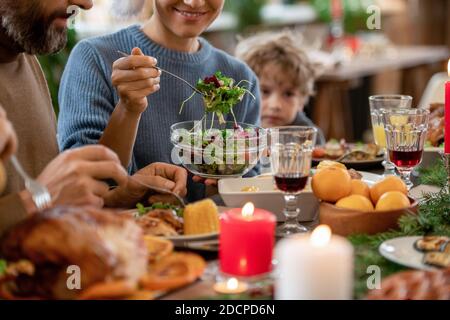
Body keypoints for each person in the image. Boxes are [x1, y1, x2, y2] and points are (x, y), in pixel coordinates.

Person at [0, 0, 187, 235]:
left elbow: (40, 215)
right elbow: (39, 202)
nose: (85, 4)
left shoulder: (23, 55)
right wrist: (40, 199)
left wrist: (114, 199)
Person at [57, 0, 261, 200]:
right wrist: (128, 108)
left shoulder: (240, 80)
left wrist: (218, 191)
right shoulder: (95, 57)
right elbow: (83, 183)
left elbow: (251, 191)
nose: (194, 3)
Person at [235, 31, 326, 145]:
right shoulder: (233, 131)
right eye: (264, 91)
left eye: (288, 94)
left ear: (301, 101)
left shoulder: (310, 138)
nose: (275, 105)